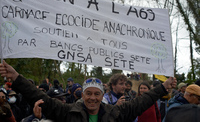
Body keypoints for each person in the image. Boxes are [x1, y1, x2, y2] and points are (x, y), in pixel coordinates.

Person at [0, 60, 177, 122]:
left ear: (102, 95)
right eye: (89, 93)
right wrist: (16, 78)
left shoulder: (115, 113)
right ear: (82, 95)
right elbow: (39, 96)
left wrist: (162, 87)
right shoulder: (68, 112)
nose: (92, 98)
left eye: (96, 94)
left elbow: (142, 102)